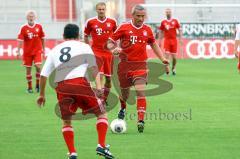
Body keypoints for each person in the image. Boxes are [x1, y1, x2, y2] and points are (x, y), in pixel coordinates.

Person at [37, 24, 114, 159]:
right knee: (102, 113)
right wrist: (99, 87)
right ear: (78, 36)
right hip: (80, 84)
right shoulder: (84, 47)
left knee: (67, 122)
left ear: (63, 36)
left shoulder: (55, 50)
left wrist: (42, 95)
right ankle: (101, 145)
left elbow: (43, 75)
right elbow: (94, 68)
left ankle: (72, 153)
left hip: (62, 87)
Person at [107, 5, 169, 133]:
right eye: (138, 16)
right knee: (125, 94)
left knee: (140, 91)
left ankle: (140, 120)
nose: (141, 19)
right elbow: (110, 41)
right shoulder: (124, 27)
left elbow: (153, 44)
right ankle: (123, 108)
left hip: (140, 65)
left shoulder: (147, 30)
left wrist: (162, 58)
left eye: (143, 16)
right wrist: (114, 49)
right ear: (132, 15)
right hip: (124, 66)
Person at [84, 2, 117, 103]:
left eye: (103, 9)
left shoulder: (112, 22)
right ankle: (100, 98)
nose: (101, 11)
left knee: (108, 80)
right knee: (100, 74)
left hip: (108, 53)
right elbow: (86, 35)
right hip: (96, 52)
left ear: (105, 10)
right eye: (99, 9)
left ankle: (104, 97)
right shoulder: (90, 22)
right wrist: (88, 48)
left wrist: (115, 47)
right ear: (96, 10)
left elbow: (117, 36)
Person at [17, 10, 45, 93]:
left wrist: (43, 49)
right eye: (29, 16)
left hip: (37, 51)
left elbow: (43, 38)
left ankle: (37, 85)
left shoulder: (39, 27)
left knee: (38, 66)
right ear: (26, 17)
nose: (31, 17)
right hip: (27, 52)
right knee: (28, 70)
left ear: (35, 17)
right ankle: (29, 88)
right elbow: (20, 40)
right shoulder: (23, 28)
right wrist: (18, 51)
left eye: (32, 16)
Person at [158, 8, 182, 75]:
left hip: (174, 41)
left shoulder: (175, 21)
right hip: (167, 41)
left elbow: (180, 29)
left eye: (169, 12)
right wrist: (160, 41)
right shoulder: (163, 22)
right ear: (165, 13)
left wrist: (180, 39)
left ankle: (173, 68)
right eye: (167, 12)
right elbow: (161, 31)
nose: (168, 13)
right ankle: (167, 69)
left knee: (174, 58)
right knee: (166, 57)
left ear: (171, 13)